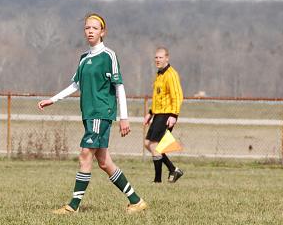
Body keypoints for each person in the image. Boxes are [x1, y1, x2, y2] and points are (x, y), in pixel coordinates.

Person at [38, 13, 148, 214]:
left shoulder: (108, 56)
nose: (90, 31)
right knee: (105, 162)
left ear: (103, 32)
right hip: (89, 115)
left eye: (94, 28)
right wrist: (53, 99)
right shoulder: (84, 58)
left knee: (84, 155)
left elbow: (119, 87)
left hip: (101, 113)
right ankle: (136, 201)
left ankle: (73, 206)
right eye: (87, 28)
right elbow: (75, 85)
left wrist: (124, 117)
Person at [143, 47, 184, 183]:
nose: (158, 60)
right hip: (158, 114)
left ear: (167, 58)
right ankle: (173, 170)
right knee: (148, 143)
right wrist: (150, 113)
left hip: (167, 114)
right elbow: (158, 97)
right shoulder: (159, 74)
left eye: (160, 57)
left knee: (155, 145)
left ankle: (157, 180)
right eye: (156, 57)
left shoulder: (171, 74)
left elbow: (177, 96)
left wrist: (174, 115)